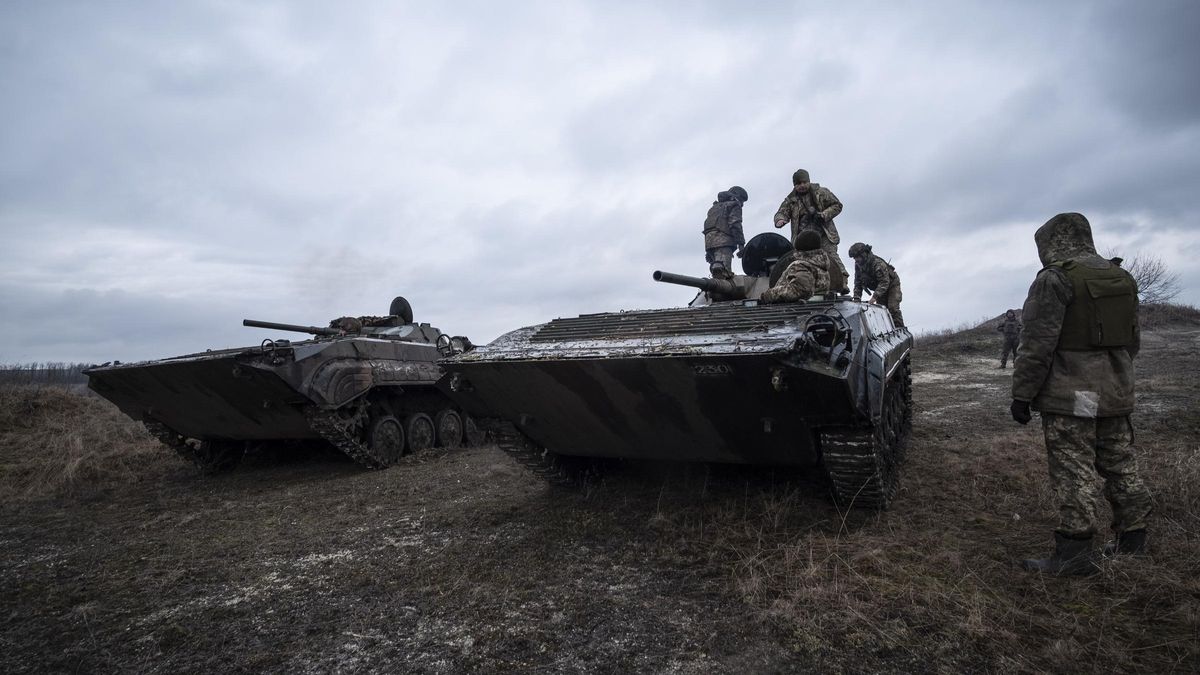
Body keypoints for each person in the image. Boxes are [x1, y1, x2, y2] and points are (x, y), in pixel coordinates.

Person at [1010, 212, 1152, 576]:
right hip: (1116, 391)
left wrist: (1023, 395)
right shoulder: (1122, 276)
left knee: (1073, 470)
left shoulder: (1055, 280)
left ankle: (1074, 554)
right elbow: (1132, 340)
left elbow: (1037, 344)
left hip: (1072, 396)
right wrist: (1113, 376)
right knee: (1121, 463)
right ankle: (1133, 540)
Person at [773, 169, 848, 291]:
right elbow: (781, 213)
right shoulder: (791, 200)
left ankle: (842, 282)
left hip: (824, 234)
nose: (802, 186)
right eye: (798, 184)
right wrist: (780, 220)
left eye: (804, 182)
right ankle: (804, 286)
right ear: (794, 185)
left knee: (832, 257)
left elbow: (837, 205)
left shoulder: (821, 192)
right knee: (801, 263)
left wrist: (824, 214)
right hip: (803, 239)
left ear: (808, 181)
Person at [761, 231, 832, 304]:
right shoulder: (821, 263)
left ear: (799, 245)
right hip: (815, 308)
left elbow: (798, 290)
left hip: (797, 311)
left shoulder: (801, 265)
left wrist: (769, 295)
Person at [848, 242, 904, 328]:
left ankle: (900, 330)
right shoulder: (858, 265)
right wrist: (856, 299)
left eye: (857, 257)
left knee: (893, 308)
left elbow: (884, 282)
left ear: (864, 254)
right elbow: (858, 283)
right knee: (882, 311)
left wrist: (874, 297)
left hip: (892, 285)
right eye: (854, 258)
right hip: (879, 288)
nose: (856, 260)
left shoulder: (877, 264)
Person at [703, 186, 747, 280]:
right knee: (723, 275)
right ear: (738, 196)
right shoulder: (734, 205)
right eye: (742, 201)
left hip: (709, 243)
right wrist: (741, 244)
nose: (742, 204)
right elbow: (735, 224)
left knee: (717, 273)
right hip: (723, 242)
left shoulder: (714, 207)